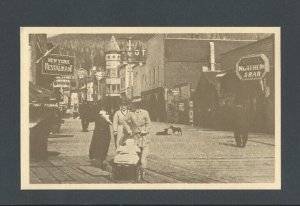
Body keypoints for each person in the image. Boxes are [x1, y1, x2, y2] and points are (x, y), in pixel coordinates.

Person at [121, 97, 151, 179]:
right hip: (134, 137)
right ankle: (136, 173)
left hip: (144, 138)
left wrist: (145, 130)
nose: (134, 106)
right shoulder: (130, 113)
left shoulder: (145, 113)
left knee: (143, 158)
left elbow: (149, 124)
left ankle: (143, 172)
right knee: (135, 156)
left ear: (139, 105)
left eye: (136, 104)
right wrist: (129, 130)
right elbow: (123, 121)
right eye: (133, 104)